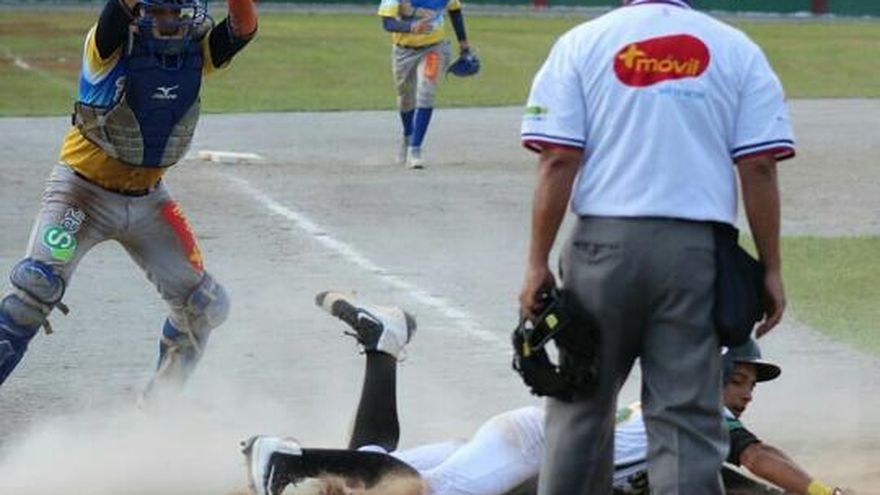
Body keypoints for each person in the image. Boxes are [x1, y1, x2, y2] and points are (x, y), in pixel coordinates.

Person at [517, 0, 796, 493]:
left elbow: (558, 158)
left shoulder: (582, 43)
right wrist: (770, 267)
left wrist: (537, 262)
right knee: (685, 420)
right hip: (696, 255)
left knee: (581, 404)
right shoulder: (736, 49)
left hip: (601, 249)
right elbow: (758, 165)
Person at [243, 295, 847, 495]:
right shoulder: (697, 413)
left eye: (750, 385)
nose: (746, 395)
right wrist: (824, 492)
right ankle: (289, 459)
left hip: (531, 441)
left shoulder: (687, 431)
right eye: (739, 379)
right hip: (532, 444)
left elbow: (736, 481)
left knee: (376, 465)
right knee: (423, 494)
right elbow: (756, 456)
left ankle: (384, 345)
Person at [0, 0, 257, 398]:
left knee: (204, 305)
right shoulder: (107, 46)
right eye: (159, 11)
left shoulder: (194, 53)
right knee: (34, 291)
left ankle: (159, 407)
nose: (169, 21)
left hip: (149, 201)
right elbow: (117, 10)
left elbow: (243, 26)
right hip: (81, 196)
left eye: (176, 12)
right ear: (138, 13)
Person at [377, 0, 472, 169]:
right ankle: (408, 136)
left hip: (434, 49)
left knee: (426, 92)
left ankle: (415, 148)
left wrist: (464, 44)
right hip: (403, 51)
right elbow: (387, 23)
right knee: (405, 99)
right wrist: (411, 27)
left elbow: (455, 10)